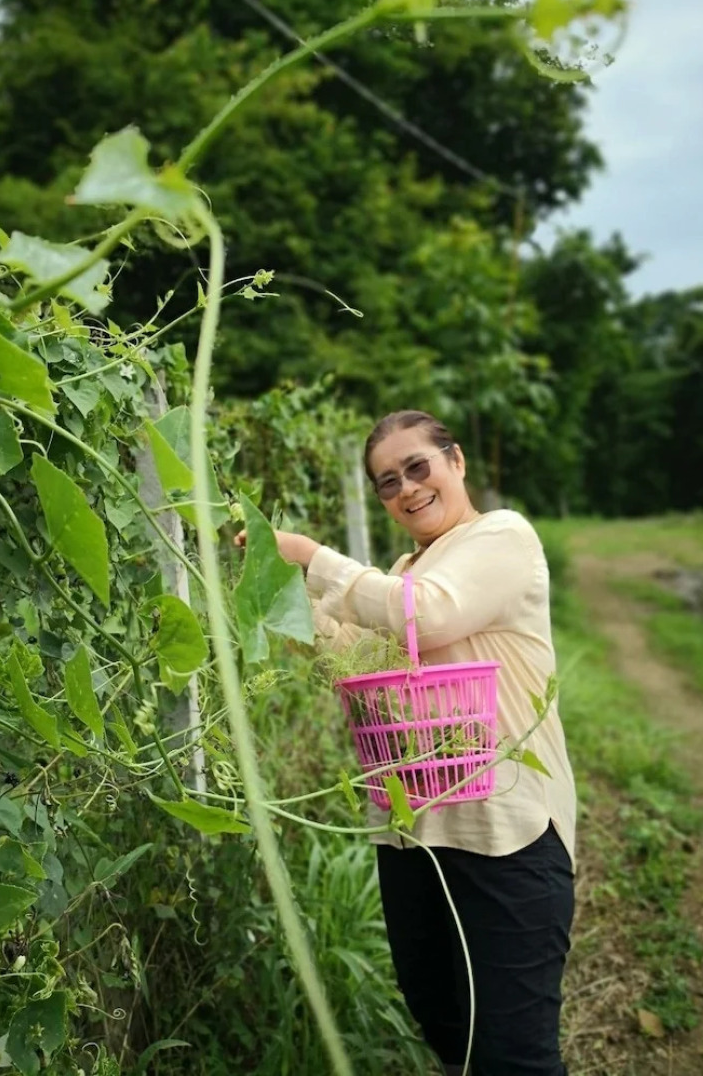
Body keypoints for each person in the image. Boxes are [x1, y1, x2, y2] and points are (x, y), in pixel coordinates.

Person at [236, 409, 576, 1076]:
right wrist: (280, 596)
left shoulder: (502, 537)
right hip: (414, 829)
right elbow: (365, 659)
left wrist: (312, 556)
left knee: (513, 1054)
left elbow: (427, 613)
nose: (407, 488)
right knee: (442, 1019)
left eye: (417, 466)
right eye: (387, 482)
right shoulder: (401, 569)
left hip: (507, 833)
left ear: (456, 462)